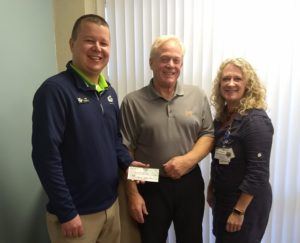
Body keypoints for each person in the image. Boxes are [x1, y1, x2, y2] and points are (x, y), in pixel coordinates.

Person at [32, 14, 144, 243]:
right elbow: (45, 156)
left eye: (104, 43)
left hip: (110, 207)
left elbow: (113, 141)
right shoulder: (54, 91)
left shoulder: (109, 93)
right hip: (77, 215)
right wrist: (67, 212)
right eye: (89, 41)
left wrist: (128, 163)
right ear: (72, 44)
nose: (97, 48)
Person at [120, 35, 214, 243]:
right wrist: (133, 194)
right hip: (149, 182)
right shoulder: (132, 102)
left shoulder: (197, 96)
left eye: (176, 60)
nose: (171, 65)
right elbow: (126, 150)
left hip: (189, 181)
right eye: (164, 59)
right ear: (151, 63)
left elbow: (208, 134)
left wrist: (187, 161)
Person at [207, 58, 273, 243]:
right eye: (226, 79)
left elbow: (258, 172)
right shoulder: (222, 119)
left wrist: (239, 211)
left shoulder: (255, 121)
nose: (231, 83)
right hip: (224, 199)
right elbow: (219, 158)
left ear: (248, 85)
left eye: (237, 79)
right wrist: (212, 186)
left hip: (246, 204)